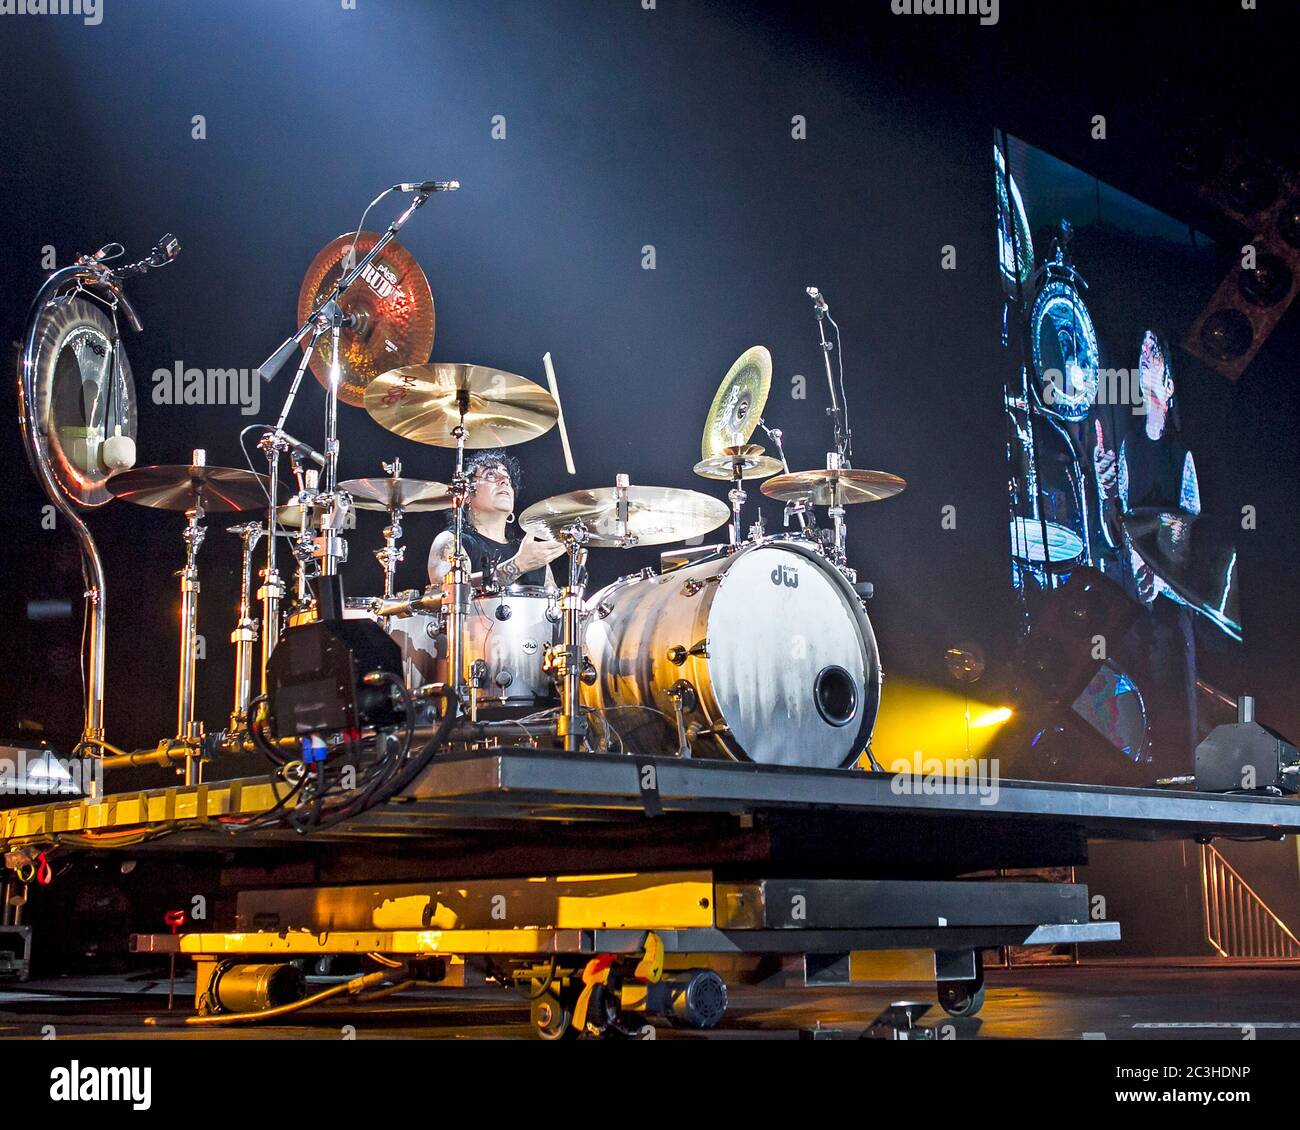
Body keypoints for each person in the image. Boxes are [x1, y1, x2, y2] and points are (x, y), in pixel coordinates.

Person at [1094, 329, 1200, 770]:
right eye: (1140, 353)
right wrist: (1107, 494)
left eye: (1152, 354)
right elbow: (1114, 529)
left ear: (1169, 384)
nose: (1142, 361)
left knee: (1173, 708)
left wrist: (1159, 565)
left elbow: (1191, 528)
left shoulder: (1182, 453)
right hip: (1133, 605)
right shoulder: (1129, 445)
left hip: (1170, 612)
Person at [427, 449, 566, 588]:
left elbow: (554, 606)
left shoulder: (532, 552)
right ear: (467, 495)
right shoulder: (453, 541)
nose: (504, 481)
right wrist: (518, 565)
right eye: (491, 475)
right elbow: (447, 591)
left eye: (508, 479)